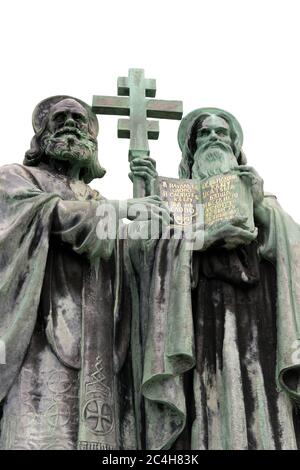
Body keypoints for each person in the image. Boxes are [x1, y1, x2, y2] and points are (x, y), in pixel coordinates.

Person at [0, 95, 169, 450]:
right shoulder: (17, 178)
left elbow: (136, 268)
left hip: (103, 348)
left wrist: (149, 200)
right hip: (39, 340)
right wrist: (121, 209)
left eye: (80, 120)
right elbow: (43, 214)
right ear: (41, 135)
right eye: (59, 118)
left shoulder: (96, 198)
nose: (70, 124)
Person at [131, 107, 300, 450]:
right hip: (197, 320)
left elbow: (292, 251)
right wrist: (203, 237)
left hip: (257, 316)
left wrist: (260, 206)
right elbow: (147, 259)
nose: (212, 138)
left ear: (235, 146)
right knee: (207, 400)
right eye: (204, 134)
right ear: (191, 150)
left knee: (259, 399)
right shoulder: (177, 202)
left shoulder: (261, 198)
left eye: (220, 133)